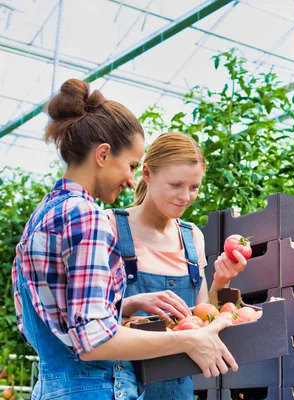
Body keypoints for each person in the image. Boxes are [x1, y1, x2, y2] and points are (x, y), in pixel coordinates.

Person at [11, 79, 237, 400]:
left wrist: (126, 305)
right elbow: (93, 343)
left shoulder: (47, 213)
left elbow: (57, 324)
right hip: (96, 390)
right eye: (131, 165)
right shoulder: (87, 217)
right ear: (103, 154)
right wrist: (188, 340)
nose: (131, 179)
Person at [105, 132, 247, 400]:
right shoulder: (110, 226)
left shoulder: (192, 236)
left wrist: (222, 281)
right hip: (122, 389)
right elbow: (89, 317)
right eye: (175, 184)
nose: (185, 196)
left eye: (194, 187)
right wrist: (134, 302)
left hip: (178, 391)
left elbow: (202, 317)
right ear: (147, 174)